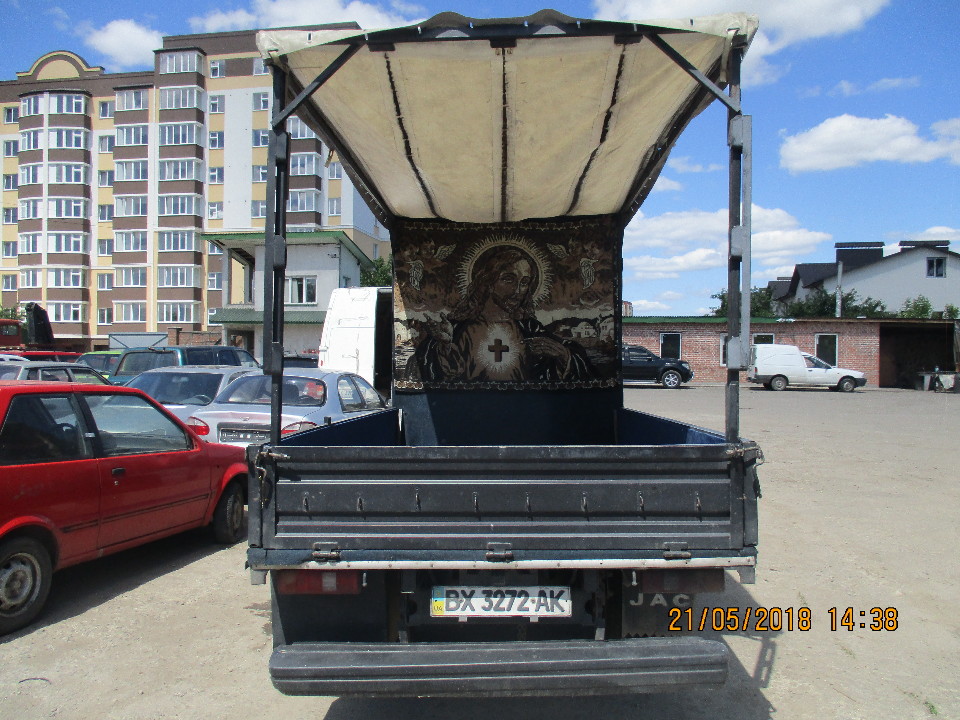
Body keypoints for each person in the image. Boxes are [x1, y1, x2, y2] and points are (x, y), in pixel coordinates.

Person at [415, 244, 594, 384]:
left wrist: (564, 355)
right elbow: (434, 373)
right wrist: (445, 346)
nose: (517, 291)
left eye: (524, 282)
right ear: (488, 282)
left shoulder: (530, 329)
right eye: (509, 279)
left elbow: (573, 369)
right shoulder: (457, 329)